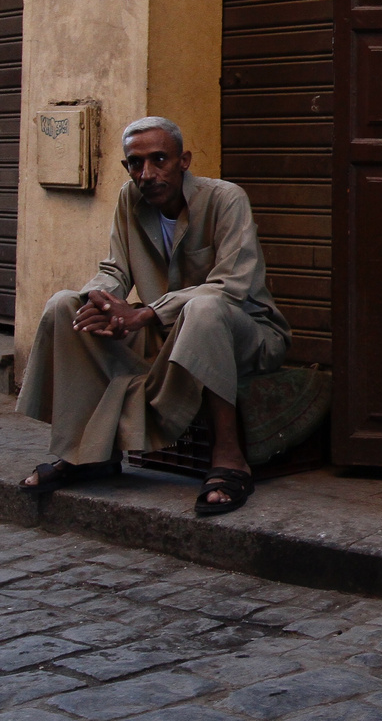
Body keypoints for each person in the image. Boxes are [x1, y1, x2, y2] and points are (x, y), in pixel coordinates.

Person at [15, 117, 292, 515]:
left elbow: (231, 286)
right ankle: (89, 452)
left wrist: (144, 313)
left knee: (206, 307)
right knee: (64, 305)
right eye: (135, 163)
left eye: (159, 159)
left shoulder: (225, 199)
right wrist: (103, 301)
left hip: (248, 335)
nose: (147, 173)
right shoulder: (131, 199)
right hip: (168, 332)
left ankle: (229, 456)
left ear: (183, 160)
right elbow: (115, 270)